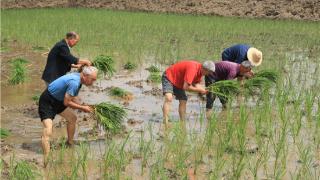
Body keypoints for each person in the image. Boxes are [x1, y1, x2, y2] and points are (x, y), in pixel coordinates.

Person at [38, 66, 98, 167]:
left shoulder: (79, 79)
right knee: (48, 130)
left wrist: (83, 105)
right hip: (48, 102)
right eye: (92, 79)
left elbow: (71, 96)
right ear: (85, 76)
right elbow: (67, 102)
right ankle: (46, 160)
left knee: (72, 118)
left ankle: (69, 143)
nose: (93, 82)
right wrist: (83, 108)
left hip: (58, 101)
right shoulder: (75, 82)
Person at [162, 60, 215, 128]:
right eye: (209, 72)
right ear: (205, 69)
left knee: (183, 100)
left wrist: (203, 90)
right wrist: (199, 90)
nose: (209, 74)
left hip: (179, 82)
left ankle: (182, 122)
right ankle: (165, 122)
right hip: (169, 76)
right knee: (168, 98)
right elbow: (186, 87)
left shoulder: (200, 72)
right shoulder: (193, 69)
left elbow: (196, 84)